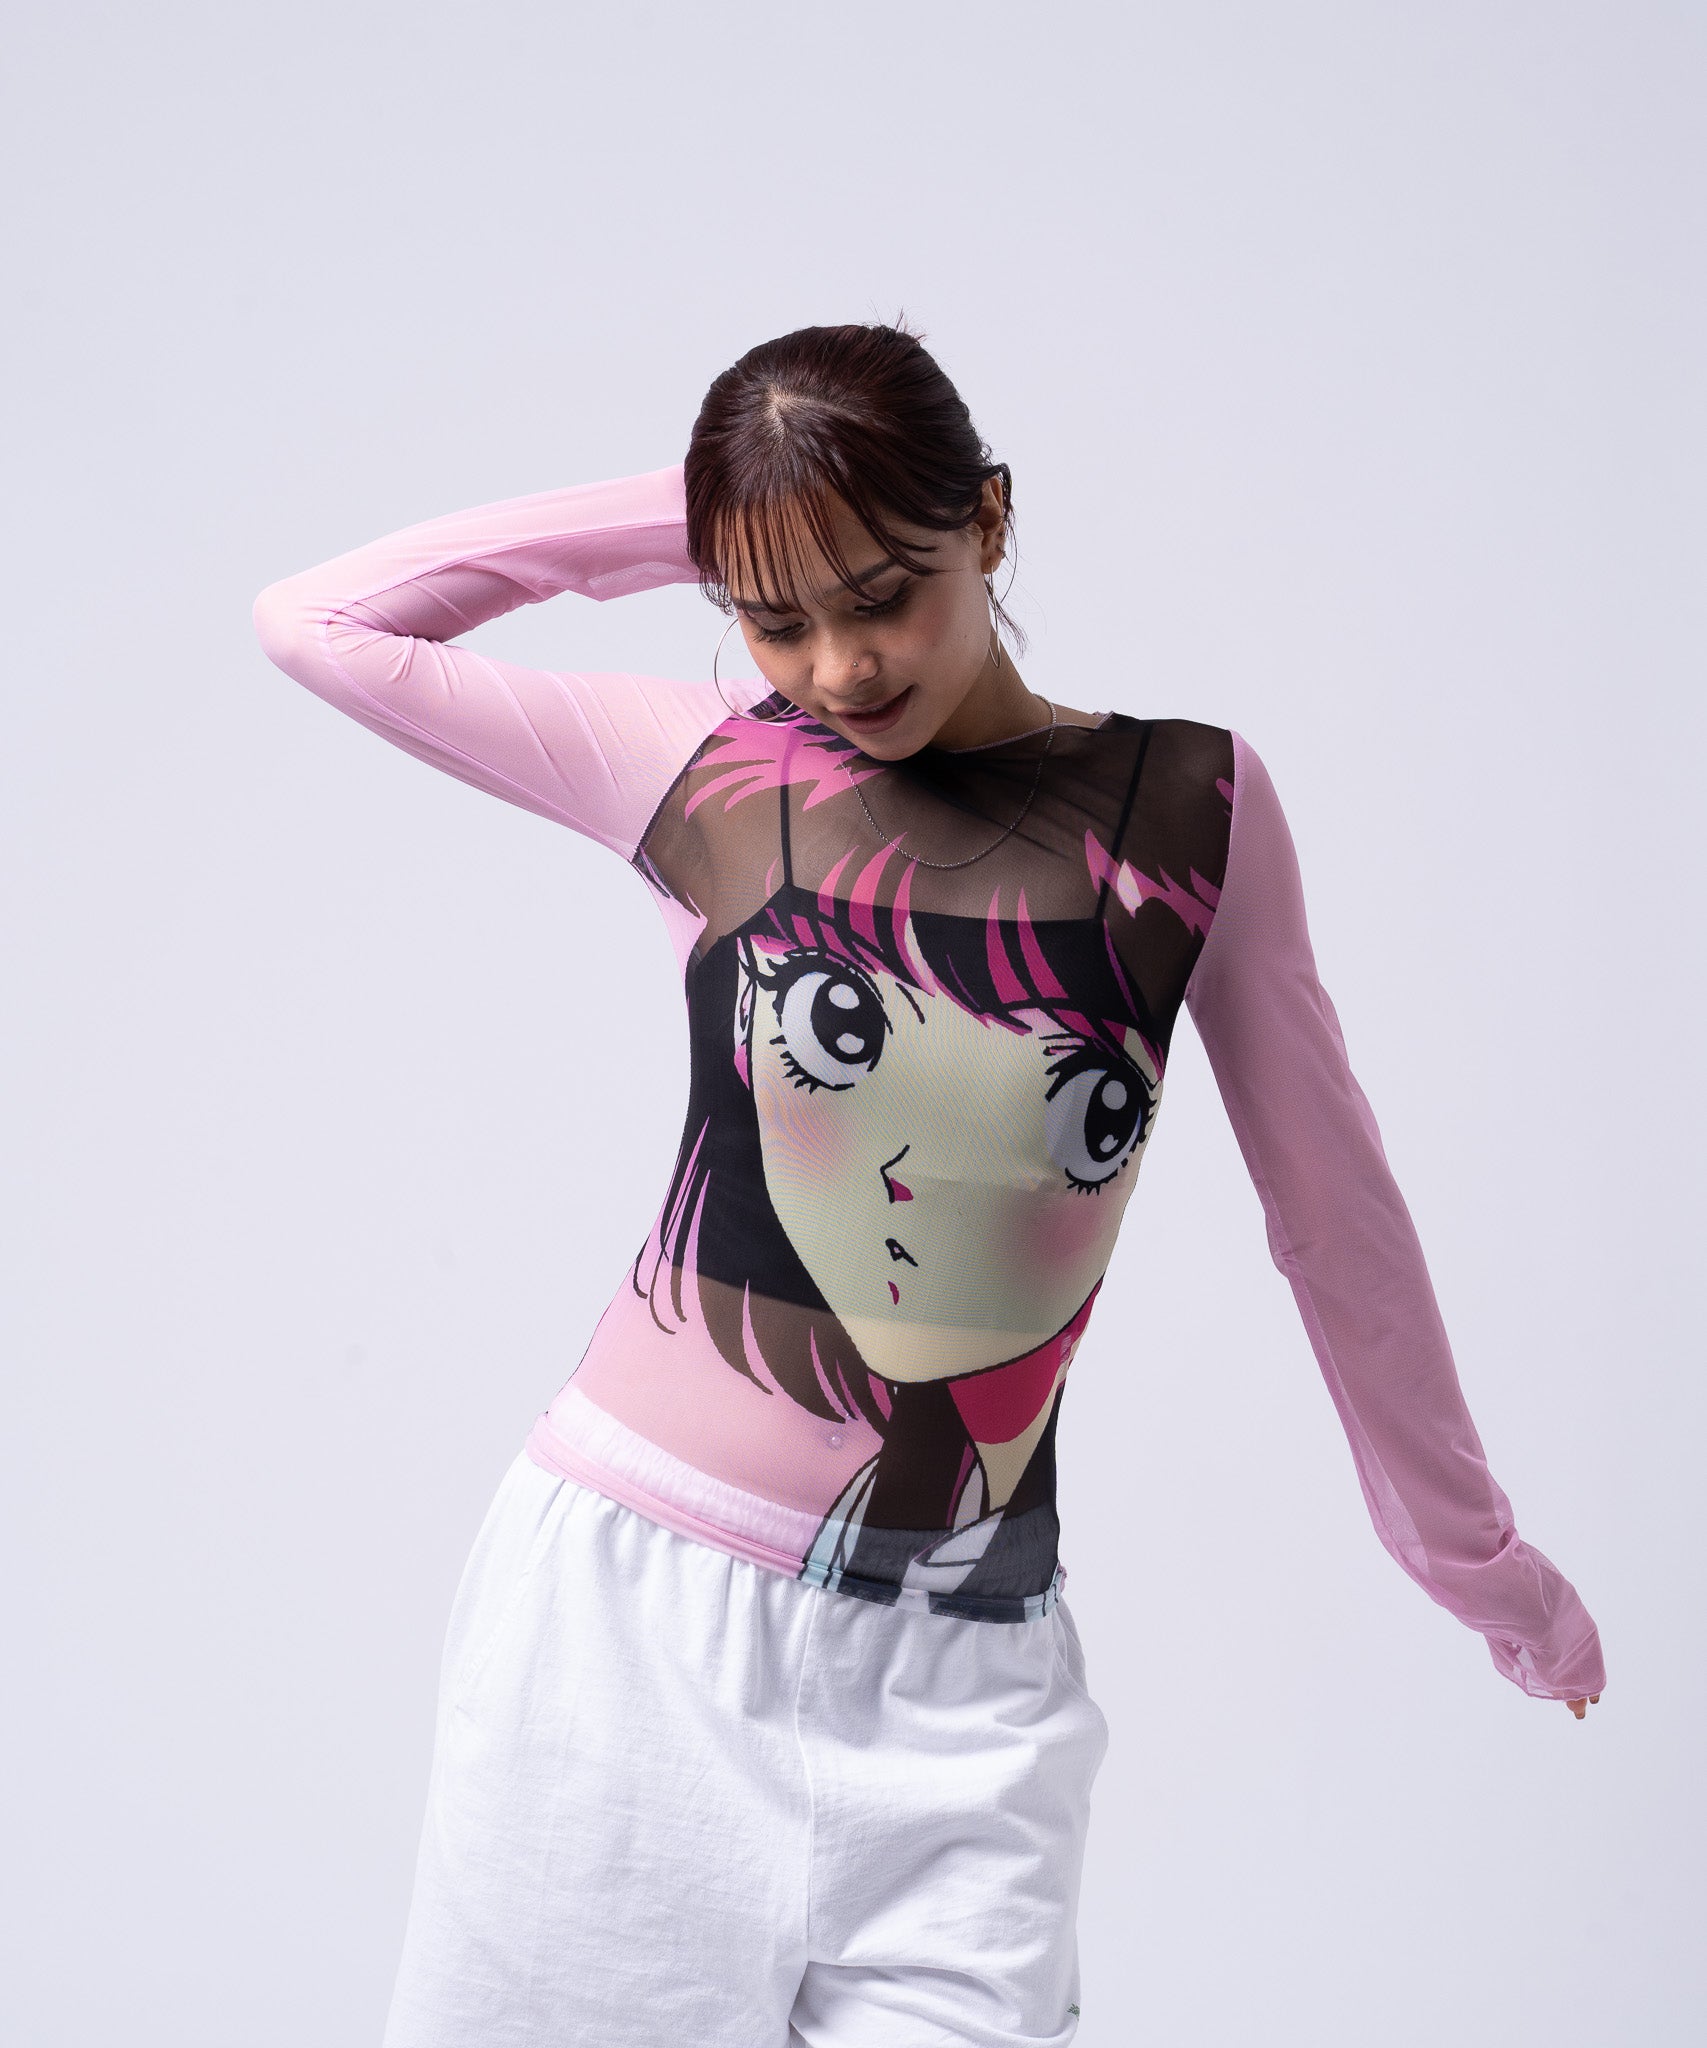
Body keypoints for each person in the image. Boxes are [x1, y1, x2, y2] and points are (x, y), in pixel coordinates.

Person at [253, 321, 1606, 2047]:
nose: (835, 665)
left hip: (970, 1689)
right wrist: (736, 505)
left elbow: (1336, 1220)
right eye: (772, 617)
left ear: (990, 518)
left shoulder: (1190, 809)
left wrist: (1482, 1567)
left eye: (882, 591)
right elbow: (318, 623)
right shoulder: (704, 770)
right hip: (623, 1649)